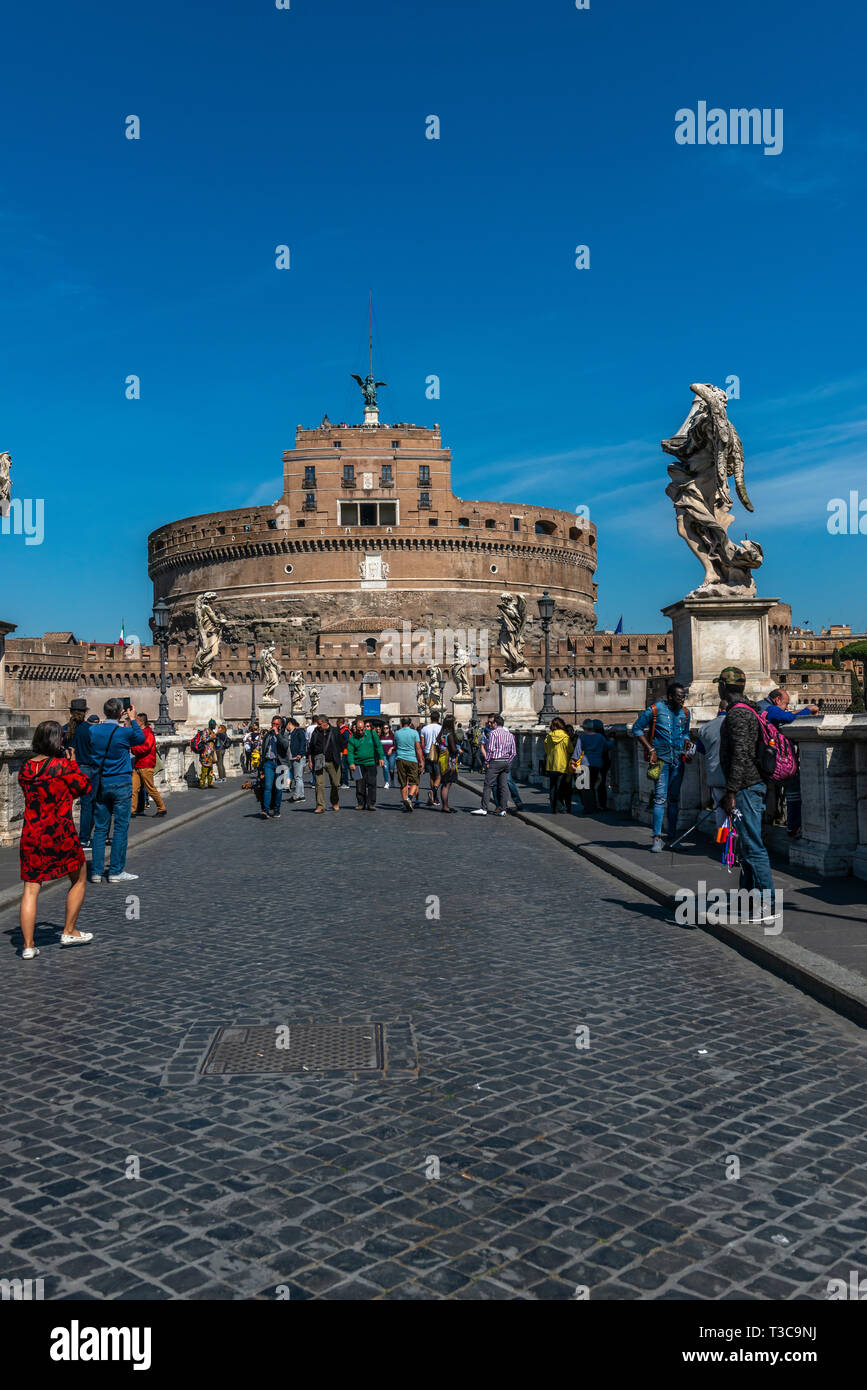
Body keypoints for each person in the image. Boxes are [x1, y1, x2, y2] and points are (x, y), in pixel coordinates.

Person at [18, 721, 94, 958]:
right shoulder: (63, 767)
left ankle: (28, 946)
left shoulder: (26, 769)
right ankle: (69, 930)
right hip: (60, 833)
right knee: (79, 878)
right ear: (57, 741)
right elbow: (84, 786)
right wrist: (72, 764)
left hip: (31, 834)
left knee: (31, 889)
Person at [719, 666, 778, 924]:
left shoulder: (737, 715)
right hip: (750, 786)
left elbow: (740, 756)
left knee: (753, 847)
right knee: (746, 846)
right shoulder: (749, 709)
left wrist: (731, 791)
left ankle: (768, 904)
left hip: (745, 787)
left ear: (723, 687)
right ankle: (747, 900)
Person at [87, 698, 146, 884]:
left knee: (100, 829)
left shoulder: (93, 730)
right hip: (121, 783)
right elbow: (141, 738)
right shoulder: (124, 733)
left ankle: (96, 872)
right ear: (121, 713)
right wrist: (134, 718)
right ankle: (115, 871)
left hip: (101, 784)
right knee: (120, 828)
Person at [632, 681, 691, 852]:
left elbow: (686, 732)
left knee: (674, 800)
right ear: (670, 696)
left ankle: (672, 837)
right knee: (660, 798)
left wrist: (687, 740)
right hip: (661, 760)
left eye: (684, 697)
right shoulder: (655, 710)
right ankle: (657, 837)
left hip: (678, 760)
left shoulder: (686, 713)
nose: (683, 700)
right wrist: (650, 749)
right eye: (680, 697)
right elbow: (637, 729)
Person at [758, 688, 817, 837]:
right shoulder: (770, 709)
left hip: (759, 759)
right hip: (772, 760)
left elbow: (785, 715)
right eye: (786, 704)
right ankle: (793, 826)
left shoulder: (759, 707)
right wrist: (807, 710)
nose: (787, 707)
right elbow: (788, 718)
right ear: (777, 700)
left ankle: (764, 826)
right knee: (793, 785)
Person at [65, 699, 98, 846]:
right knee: (87, 805)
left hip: (68, 770)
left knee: (66, 805)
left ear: (71, 712)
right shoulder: (90, 730)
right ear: (85, 712)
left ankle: (66, 836)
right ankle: (84, 838)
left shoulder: (64, 729)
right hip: (87, 770)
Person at [472, 715, 516, 816]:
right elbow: (513, 752)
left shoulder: (493, 734)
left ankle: (483, 808)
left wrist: (487, 762)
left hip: (495, 761)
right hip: (505, 762)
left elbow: (490, 750)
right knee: (503, 786)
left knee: (488, 785)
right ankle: (503, 809)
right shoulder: (510, 735)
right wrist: (508, 762)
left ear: (495, 723)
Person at [694, 702, 728, 830]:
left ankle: (723, 840)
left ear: (719, 709)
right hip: (735, 776)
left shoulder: (706, 727)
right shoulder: (738, 724)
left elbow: (701, 749)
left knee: (720, 810)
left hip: (715, 775)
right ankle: (735, 842)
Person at [131, 712, 167, 819]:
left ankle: (162, 808)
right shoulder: (140, 732)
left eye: (136, 721)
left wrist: (133, 748)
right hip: (138, 764)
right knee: (134, 788)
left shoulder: (149, 733)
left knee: (150, 788)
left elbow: (145, 748)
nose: (135, 723)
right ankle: (132, 810)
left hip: (146, 764)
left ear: (141, 722)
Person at [347, 717, 385, 810]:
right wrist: (351, 763)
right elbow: (350, 752)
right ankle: (361, 803)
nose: (360, 732)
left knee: (372, 783)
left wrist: (381, 757)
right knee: (359, 785)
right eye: (358, 730)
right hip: (358, 764)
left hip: (371, 763)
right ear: (355, 728)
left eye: (362, 729)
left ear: (365, 728)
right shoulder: (352, 738)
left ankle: (371, 803)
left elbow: (379, 745)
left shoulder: (372, 734)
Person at [308, 715, 342, 813]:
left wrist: (340, 754)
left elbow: (341, 744)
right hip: (319, 760)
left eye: (319, 724)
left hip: (333, 761)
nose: (317, 726)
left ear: (325, 722)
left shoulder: (335, 731)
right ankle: (320, 805)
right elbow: (311, 747)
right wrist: (310, 760)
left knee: (336, 784)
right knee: (319, 784)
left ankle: (334, 801)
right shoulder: (316, 732)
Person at [259, 714, 290, 819]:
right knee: (267, 787)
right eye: (273, 724)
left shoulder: (284, 734)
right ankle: (266, 809)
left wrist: (277, 734)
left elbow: (285, 745)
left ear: (280, 725)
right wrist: (261, 763)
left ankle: (276, 809)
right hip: (268, 763)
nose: (274, 726)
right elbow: (263, 748)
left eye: (277, 724)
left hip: (280, 764)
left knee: (278, 788)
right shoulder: (268, 735)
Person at [578, 719, 613, 812]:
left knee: (586, 786)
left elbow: (577, 751)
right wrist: (612, 739)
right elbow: (608, 746)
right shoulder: (600, 737)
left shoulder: (582, 737)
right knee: (600, 785)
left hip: (585, 763)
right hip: (599, 764)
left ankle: (589, 806)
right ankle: (601, 805)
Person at [544, 717, 573, 814]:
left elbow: (546, 750)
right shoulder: (565, 736)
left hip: (551, 765)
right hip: (562, 765)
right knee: (561, 787)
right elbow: (570, 749)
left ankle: (553, 807)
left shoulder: (549, 736)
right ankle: (561, 807)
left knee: (553, 787)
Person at [394, 717, 424, 813]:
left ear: (401, 723)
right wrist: (421, 761)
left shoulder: (397, 733)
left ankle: (405, 803)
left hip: (400, 759)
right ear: (410, 724)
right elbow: (418, 748)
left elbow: (396, 745)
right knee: (415, 781)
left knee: (403, 783)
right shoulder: (414, 733)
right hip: (412, 759)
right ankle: (410, 798)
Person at [435, 715, 459, 813]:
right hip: (449, 762)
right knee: (446, 784)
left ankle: (445, 805)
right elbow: (453, 749)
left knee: (444, 783)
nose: (455, 724)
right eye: (454, 722)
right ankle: (445, 806)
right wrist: (459, 751)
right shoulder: (450, 735)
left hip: (442, 760)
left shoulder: (441, 734)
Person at [420, 711, 443, 807]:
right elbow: (443, 741)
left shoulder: (424, 729)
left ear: (430, 718)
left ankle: (434, 797)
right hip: (437, 753)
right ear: (438, 718)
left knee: (432, 776)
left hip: (427, 753)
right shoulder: (441, 728)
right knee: (439, 776)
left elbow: (422, 743)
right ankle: (433, 792)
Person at [286, 717, 307, 801]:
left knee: (297, 777)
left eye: (286, 725)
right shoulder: (291, 733)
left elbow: (303, 742)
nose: (285, 727)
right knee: (298, 777)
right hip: (293, 757)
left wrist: (300, 753)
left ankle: (296, 796)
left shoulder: (298, 731)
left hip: (297, 756)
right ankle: (301, 795)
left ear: (289, 724)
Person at [380, 722, 396, 789]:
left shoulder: (392, 736)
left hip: (392, 754)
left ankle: (392, 780)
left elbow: (396, 745)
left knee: (391, 769)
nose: (385, 729)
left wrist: (392, 748)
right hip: (384, 754)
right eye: (384, 728)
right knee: (385, 768)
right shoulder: (381, 737)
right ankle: (386, 782)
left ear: (389, 729)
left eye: (387, 728)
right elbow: (379, 746)